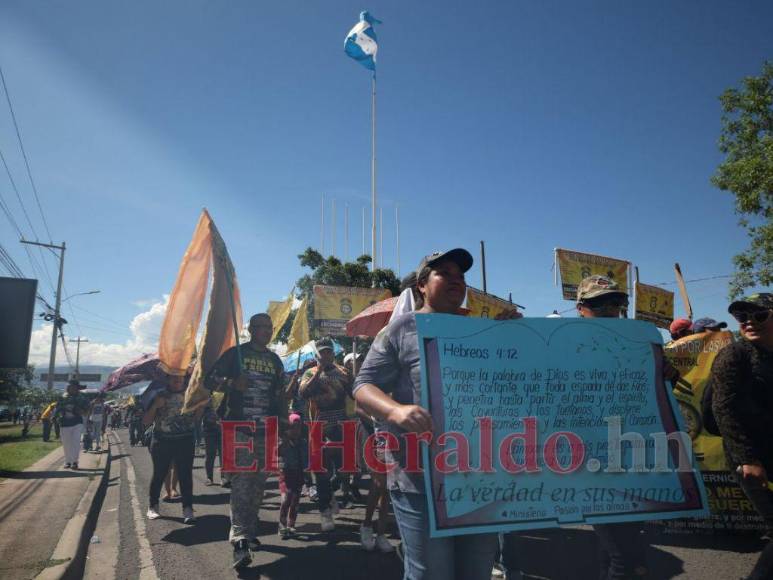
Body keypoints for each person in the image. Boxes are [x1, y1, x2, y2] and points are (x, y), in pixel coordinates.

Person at [354, 249, 519, 580]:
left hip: (479, 476)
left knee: (476, 572)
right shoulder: (401, 329)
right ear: (422, 285)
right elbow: (362, 387)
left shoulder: (481, 332)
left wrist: (516, 340)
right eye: (445, 273)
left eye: (461, 276)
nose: (457, 281)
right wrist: (396, 411)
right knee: (431, 574)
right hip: (419, 480)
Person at [206, 312, 288, 570]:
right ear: (251, 329)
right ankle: (239, 540)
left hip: (267, 431)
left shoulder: (275, 360)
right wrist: (231, 383)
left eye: (269, 327)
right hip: (239, 429)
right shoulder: (235, 355)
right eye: (261, 326)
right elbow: (208, 380)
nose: (266, 330)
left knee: (258, 486)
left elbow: (279, 395)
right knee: (242, 484)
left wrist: (284, 416)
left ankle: (249, 531)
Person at [711, 293, 773, 580]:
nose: (749, 322)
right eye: (742, 317)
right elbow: (724, 409)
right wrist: (748, 459)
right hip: (752, 460)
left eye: (759, 315)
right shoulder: (734, 354)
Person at [299, 337, 353, 532]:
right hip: (318, 427)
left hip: (341, 426)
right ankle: (324, 511)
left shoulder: (344, 373)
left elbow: (355, 393)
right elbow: (303, 393)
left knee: (344, 471)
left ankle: (329, 493)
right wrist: (318, 371)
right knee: (321, 473)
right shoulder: (309, 373)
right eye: (322, 352)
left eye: (329, 351)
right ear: (317, 355)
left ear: (333, 353)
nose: (326, 355)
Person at [143, 373, 200, 524]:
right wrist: (155, 405)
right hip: (162, 441)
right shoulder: (158, 395)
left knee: (185, 475)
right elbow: (146, 421)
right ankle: (153, 506)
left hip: (185, 440)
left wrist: (200, 406)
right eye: (174, 377)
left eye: (180, 378)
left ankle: (187, 509)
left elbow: (196, 419)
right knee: (159, 474)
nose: (177, 380)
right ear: (167, 379)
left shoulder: (191, 394)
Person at [278, 413, 307, 538]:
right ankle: (282, 525)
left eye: (298, 427)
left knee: (295, 501)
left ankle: (291, 524)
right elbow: (275, 453)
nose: (296, 430)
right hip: (285, 474)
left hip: (299, 475)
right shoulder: (282, 442)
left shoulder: (303, 442)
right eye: (292, 427)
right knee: (286, 499)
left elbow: (306, 459)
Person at [55, 380, 90, 469]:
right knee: (66, 443)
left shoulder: (82, 397)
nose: (71, 388)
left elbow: (87, 410)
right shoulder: (62, 397)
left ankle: (74, 462)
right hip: (64, 423)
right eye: (69, 387)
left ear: (77, 388)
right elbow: (57, 408)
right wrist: (55, 416)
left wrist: (81, 411)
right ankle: (68, 461)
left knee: (76, 442)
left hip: (77, 422)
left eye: (73, 387)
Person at [202, 396, 221, 486]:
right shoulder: (206, 392)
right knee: (210, 454)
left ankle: (224, 477)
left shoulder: (226, 391)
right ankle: (209, 477)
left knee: (224, 455)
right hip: (209, 428)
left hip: (224, 428)